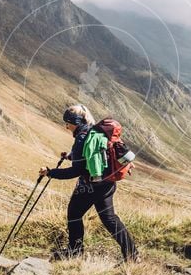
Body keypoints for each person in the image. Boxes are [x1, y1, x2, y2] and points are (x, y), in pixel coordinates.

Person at [39, 103, 139, 262]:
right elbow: (92, 157)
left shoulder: (80, 138)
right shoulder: (96, 131)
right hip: (107, 183)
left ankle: (74, 252)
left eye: (67, 123)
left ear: (76, 122)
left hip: (90, 186)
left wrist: (50, 173)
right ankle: (132, 255)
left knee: (74, 214)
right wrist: (71, 156)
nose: (66, 127)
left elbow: (75, 171)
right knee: (110, 219)